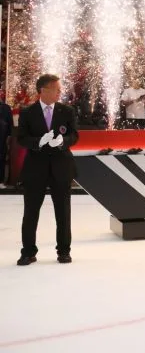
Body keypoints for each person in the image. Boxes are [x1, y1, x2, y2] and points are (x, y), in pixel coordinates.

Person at [18, 74, 79, 266]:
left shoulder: (66, 111)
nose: (60, 92)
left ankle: (64, 251)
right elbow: (21, 138)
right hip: (36, 168)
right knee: (31, 212)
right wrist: (38, 142)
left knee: (63, 212)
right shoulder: (27, 112)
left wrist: (64, 141)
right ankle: (28, 252)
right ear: (43, 90)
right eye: (56, 89)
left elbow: (74, 135)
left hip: (61, 167)